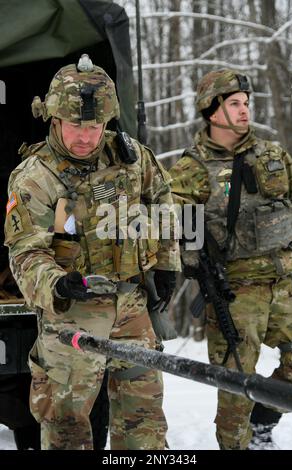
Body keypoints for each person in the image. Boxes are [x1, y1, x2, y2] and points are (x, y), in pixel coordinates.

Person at [4, 54, 180, 450]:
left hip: (131, 308)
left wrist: (167, 262)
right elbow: (24, 253)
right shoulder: (35, 177)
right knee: (66, 430)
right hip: (71, 317)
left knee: (145, 428)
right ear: (53, 119)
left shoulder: (131, 156)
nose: (86, 137)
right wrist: (58, 284)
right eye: (75, 126)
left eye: (95, 126)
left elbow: (163, 201)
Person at [169, 68, 292, 450]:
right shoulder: (191, 170)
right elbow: (180, 234)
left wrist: (285, 229)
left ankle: (264, 421)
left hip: (284, 286)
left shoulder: (273, 156)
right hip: (236, 294)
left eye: (246, 103)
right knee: (233, 391)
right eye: (235, 104)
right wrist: (197, 256)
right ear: (212, 110)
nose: (245, 111)